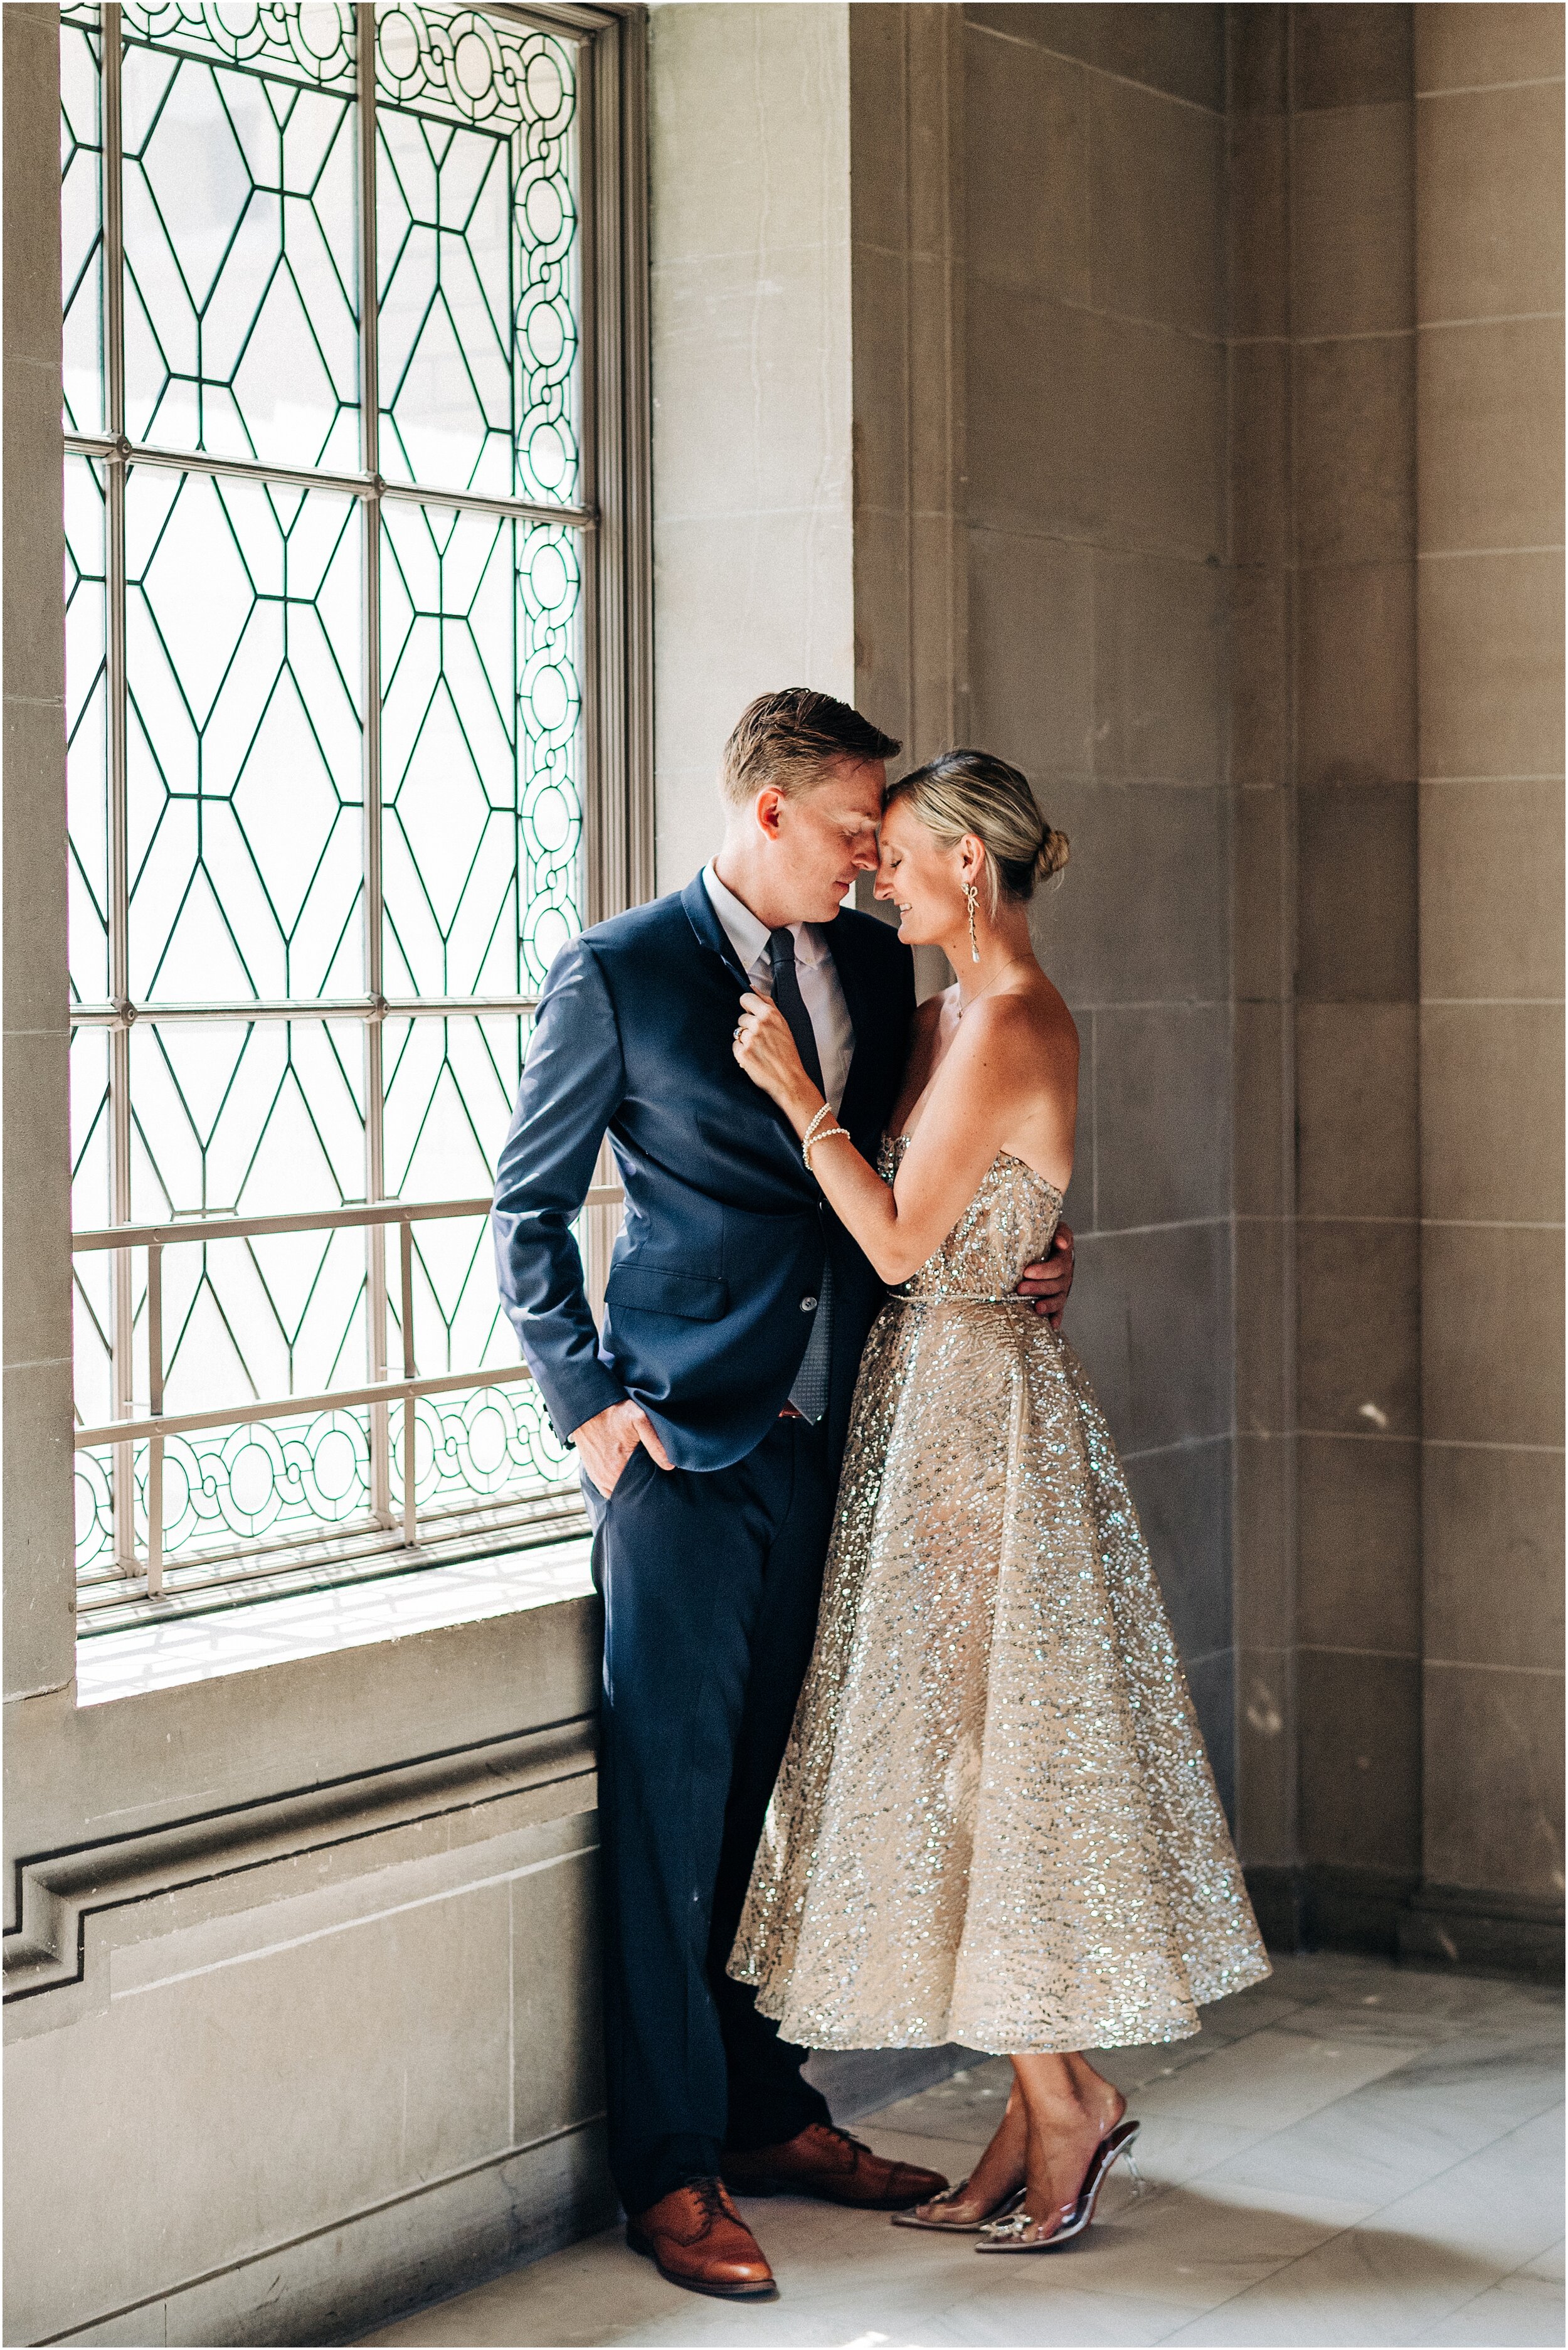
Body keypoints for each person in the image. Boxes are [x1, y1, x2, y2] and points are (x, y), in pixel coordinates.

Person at [491, 695, 1076, 2300]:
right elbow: (524, 1208)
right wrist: (592, 1418)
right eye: (845, 832)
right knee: (674, 1822)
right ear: (762, 813)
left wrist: (1023, 1247)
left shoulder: (881, 971)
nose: (870, 860)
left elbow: (914, 1184)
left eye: (882, 836)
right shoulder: (617, 973)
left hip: (848, 1448)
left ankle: (766, 2115)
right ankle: (674, 2169)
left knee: (786, 1805)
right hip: (678, 1460)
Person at [727, 748, 1269, 2252]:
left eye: (896, 855)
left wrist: (792, 1099)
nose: (877, 879)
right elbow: (977, 1211)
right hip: (931, 1400)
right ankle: (1034, 2112)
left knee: (982, 1754)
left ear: (970, 865)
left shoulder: (1013, 1016)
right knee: (951, 1764)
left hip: (977, 1418)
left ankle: (1069, 2104)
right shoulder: (945, 1012)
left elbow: (902, 1245)